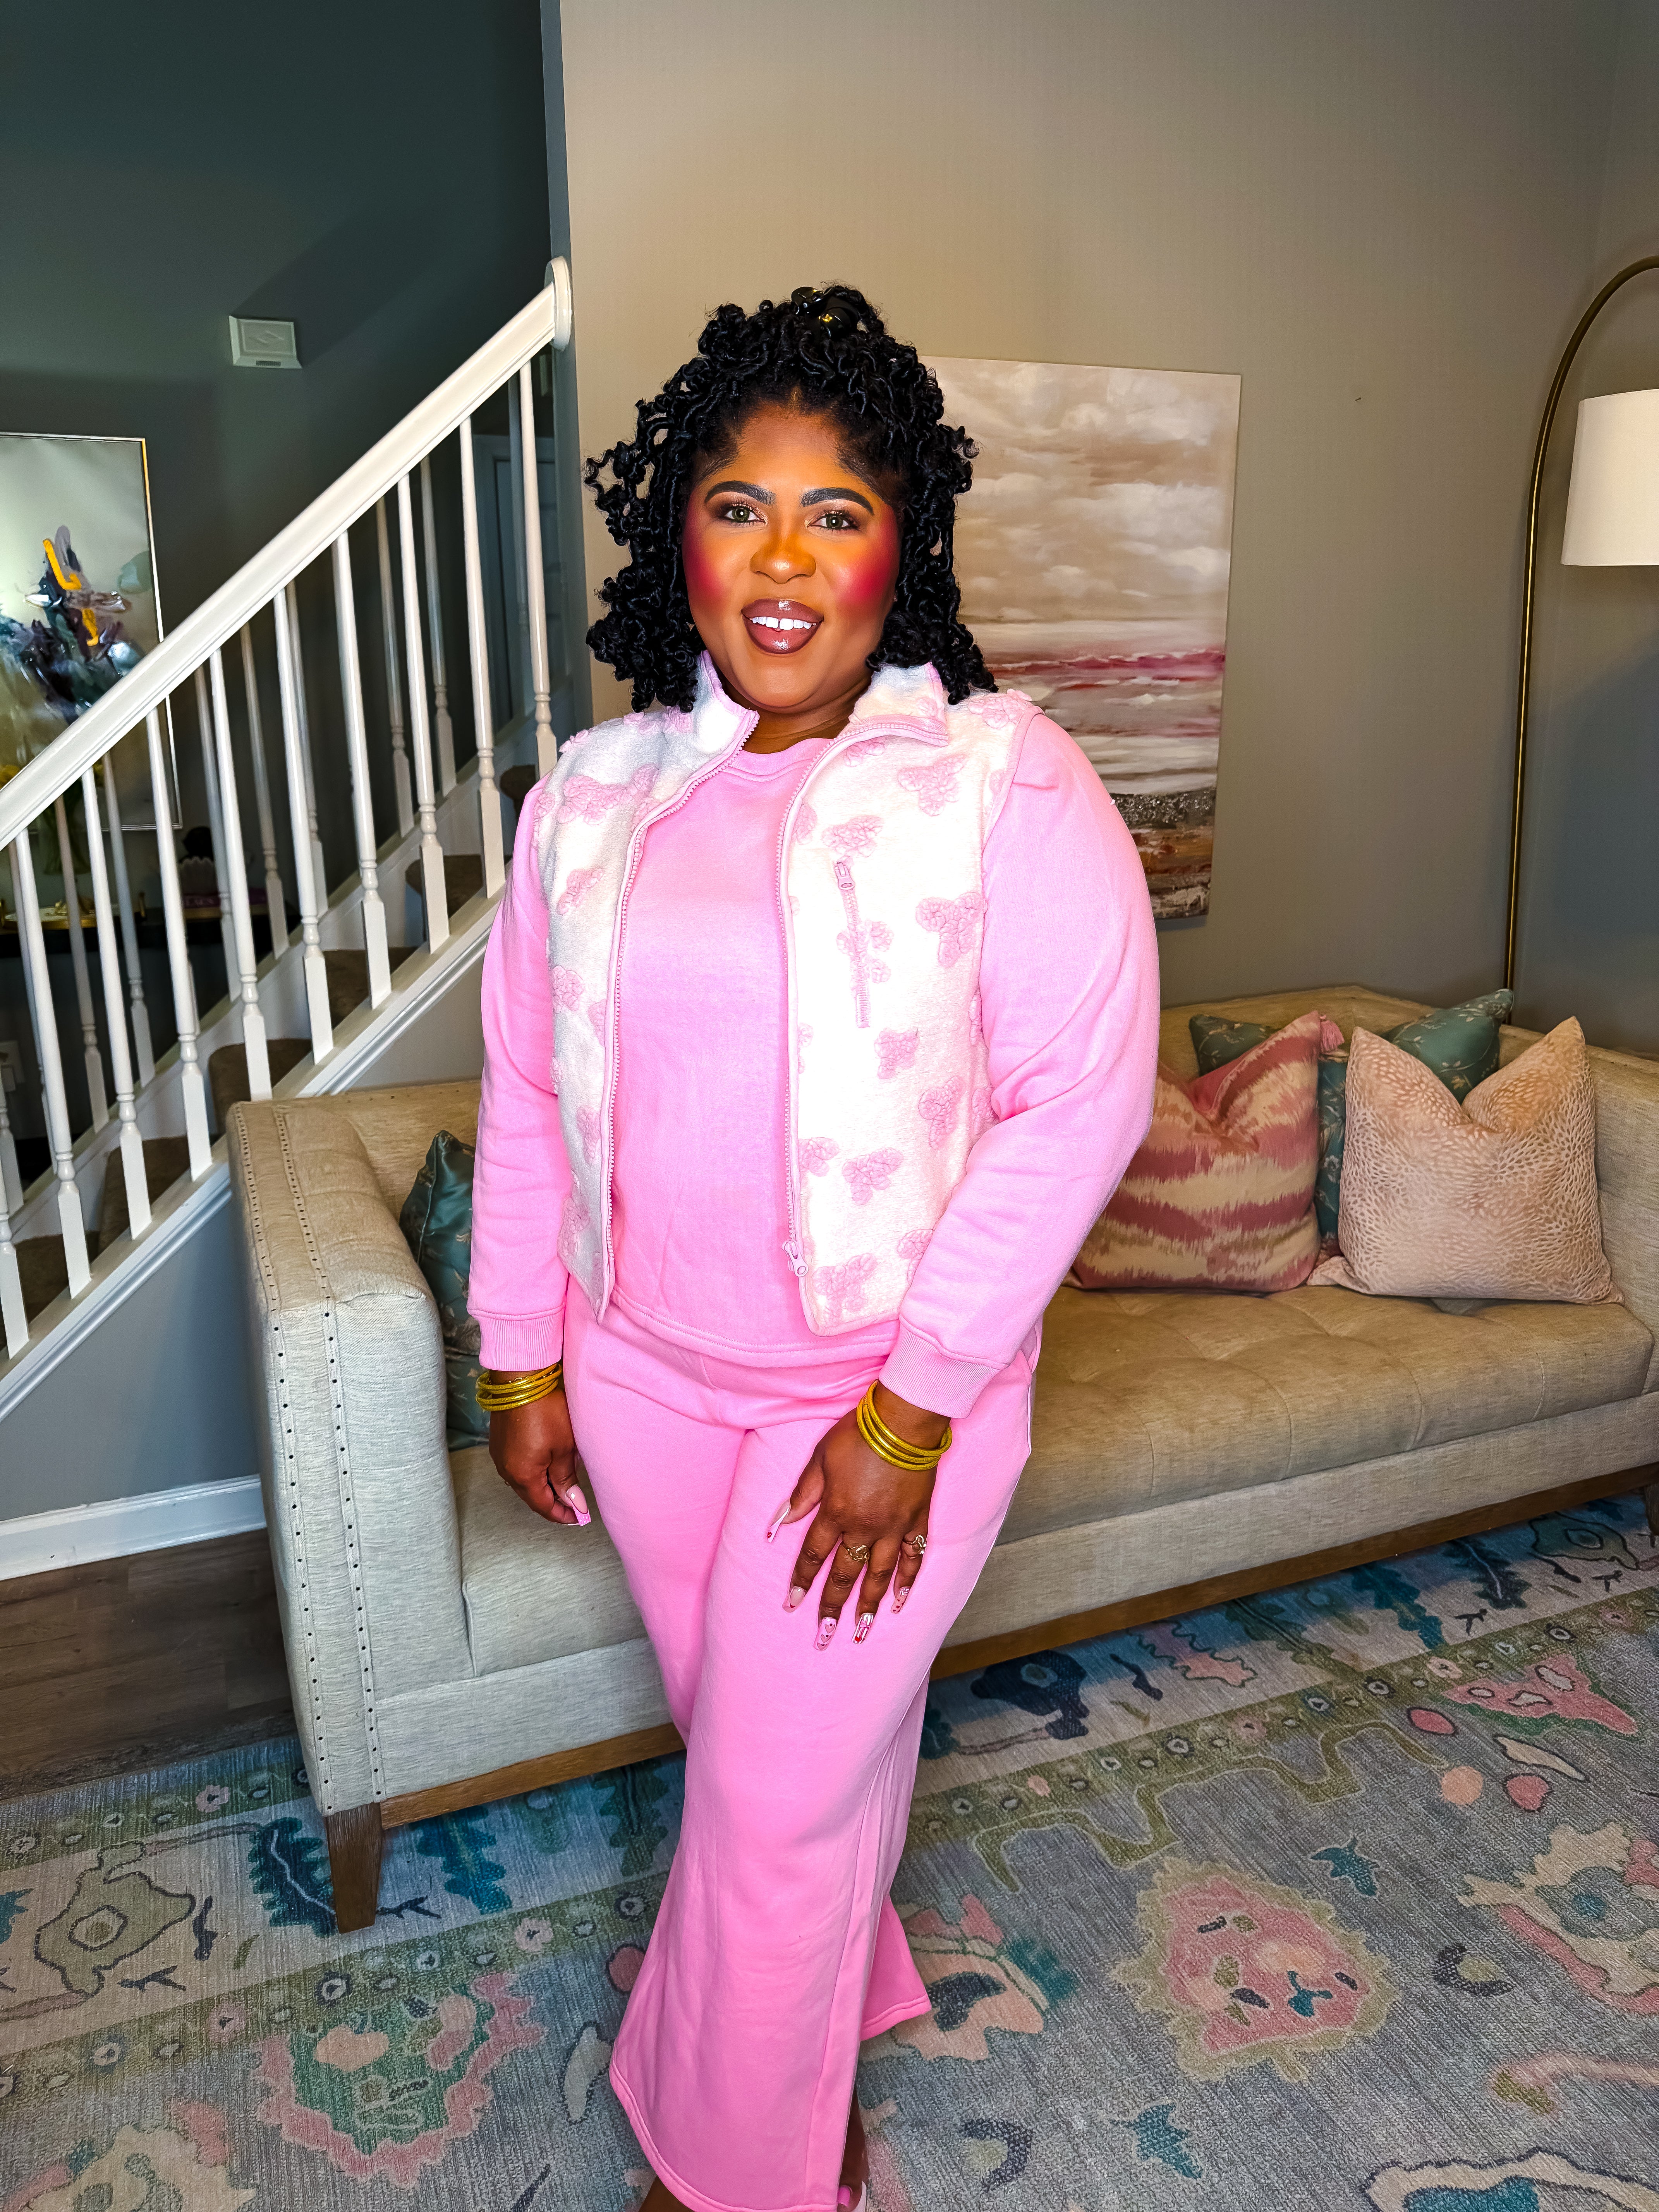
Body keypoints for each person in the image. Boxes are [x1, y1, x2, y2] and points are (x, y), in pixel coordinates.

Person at [469, 283, 1158, 2212]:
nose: (782, 563)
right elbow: (526, 1087)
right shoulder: (590, 800)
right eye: (739, 507)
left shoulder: (999, 782)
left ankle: (739, 2177)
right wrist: (518, 1357)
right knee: (766, 1772)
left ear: (899, 549)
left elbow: (1081, 1104)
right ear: (676, 539)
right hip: (643, 1388)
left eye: (834, 513)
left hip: (873, 1411)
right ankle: (821, 2016)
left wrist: (913, 1412)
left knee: (769, 1810)